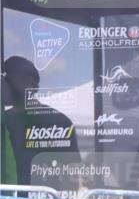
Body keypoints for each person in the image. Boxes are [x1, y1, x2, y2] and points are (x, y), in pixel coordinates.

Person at [2, 55, 81, 187]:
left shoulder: (60, 122)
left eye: (7, 79)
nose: (4, 85)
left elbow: (72, 171)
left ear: (31, 82)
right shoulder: (3, 121)